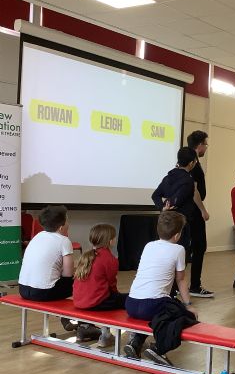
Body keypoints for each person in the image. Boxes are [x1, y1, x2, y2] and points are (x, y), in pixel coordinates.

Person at [124, 211, 197, 361]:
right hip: (153, 305)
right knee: (185, 316)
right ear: (177, 235)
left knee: (160, 314)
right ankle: (159, 348)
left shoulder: (148, 245)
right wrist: (188, 305)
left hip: (131, 303)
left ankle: (136, 342)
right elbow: (181, 280)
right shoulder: (179, 249)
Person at [18, 205, 78, 333]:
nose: (69, 224)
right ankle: (84, 324)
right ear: (61, 227)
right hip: (43, 292)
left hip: (23, 289)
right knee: (82, 283)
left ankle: (66, 317)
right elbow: (68, 274)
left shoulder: (37, 236)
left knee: (61, 281)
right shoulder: (64, 241)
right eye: (67, 221)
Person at [152, 146, 198, 297]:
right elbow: (177, 200)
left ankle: (167, 290)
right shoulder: (188, 180)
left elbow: (155, 195)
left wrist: (163, 209)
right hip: (180, 224)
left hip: (166, 222)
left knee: (166, 257)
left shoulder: (169, 176)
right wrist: (170, 205)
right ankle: (172, 292)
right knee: (179, 260)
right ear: (191, 163)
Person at [73, 224, 128, 347]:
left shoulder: (86, 256)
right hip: (96, 303)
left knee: (110, 297)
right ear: (110, 241)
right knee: (130, 300)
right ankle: (107, 335)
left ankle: (84, 328)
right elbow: (112, 286)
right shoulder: (110, 259)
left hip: (79, 301)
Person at [186, 130, 213, 298]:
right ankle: (195, 285)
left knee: (189, 247)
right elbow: (194, 190)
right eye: (206, 144)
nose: (206, 148)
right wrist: (203, 210)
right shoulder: (193, 164)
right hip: (194, 212)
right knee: (199, 246)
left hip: (189, 211)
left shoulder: (188, 162)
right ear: (200, 145)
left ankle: (179, 286)